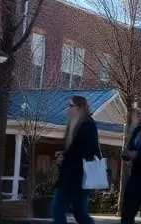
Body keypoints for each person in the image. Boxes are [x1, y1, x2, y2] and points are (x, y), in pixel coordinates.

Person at [53, 94, 102, 224]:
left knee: (58, 208)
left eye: (71, 105)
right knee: (79, 212)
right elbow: (77, 148)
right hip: (76, 176)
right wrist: (64, 154)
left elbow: (87, 149)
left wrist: (65, 155)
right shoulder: (77, 124)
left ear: (80, 107)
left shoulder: (87, 124)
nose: (68, 109)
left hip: (77, 176)